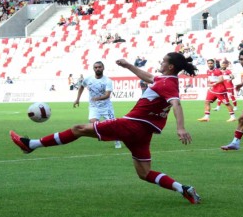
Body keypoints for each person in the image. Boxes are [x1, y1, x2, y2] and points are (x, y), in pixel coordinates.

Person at [10, 52, 201, 204]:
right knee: (144, 173)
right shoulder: (167, 80)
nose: (160, 62)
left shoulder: (168, 84)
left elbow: (176, 103)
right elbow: (150, 77)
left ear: (170, 66)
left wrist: (181, 128)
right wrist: (128, 66)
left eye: (163, 61)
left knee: (79, 128)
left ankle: (31, 145)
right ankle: (183, 189)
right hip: (143, 133)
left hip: (131, 125)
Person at [73, 61, 122, 149]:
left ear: (103, 68)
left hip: (106, 107)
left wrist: (97, 98)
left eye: (99, 67)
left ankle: (117, 140)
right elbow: (81, 87)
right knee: (93, 124)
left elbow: (107, 95)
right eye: (96, 67)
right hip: (94, 107)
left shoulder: (107, 81)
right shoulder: (88, 79)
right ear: (93, 69)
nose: (98, 69)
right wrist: (77, 99)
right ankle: (104, 133)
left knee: (113, 126)